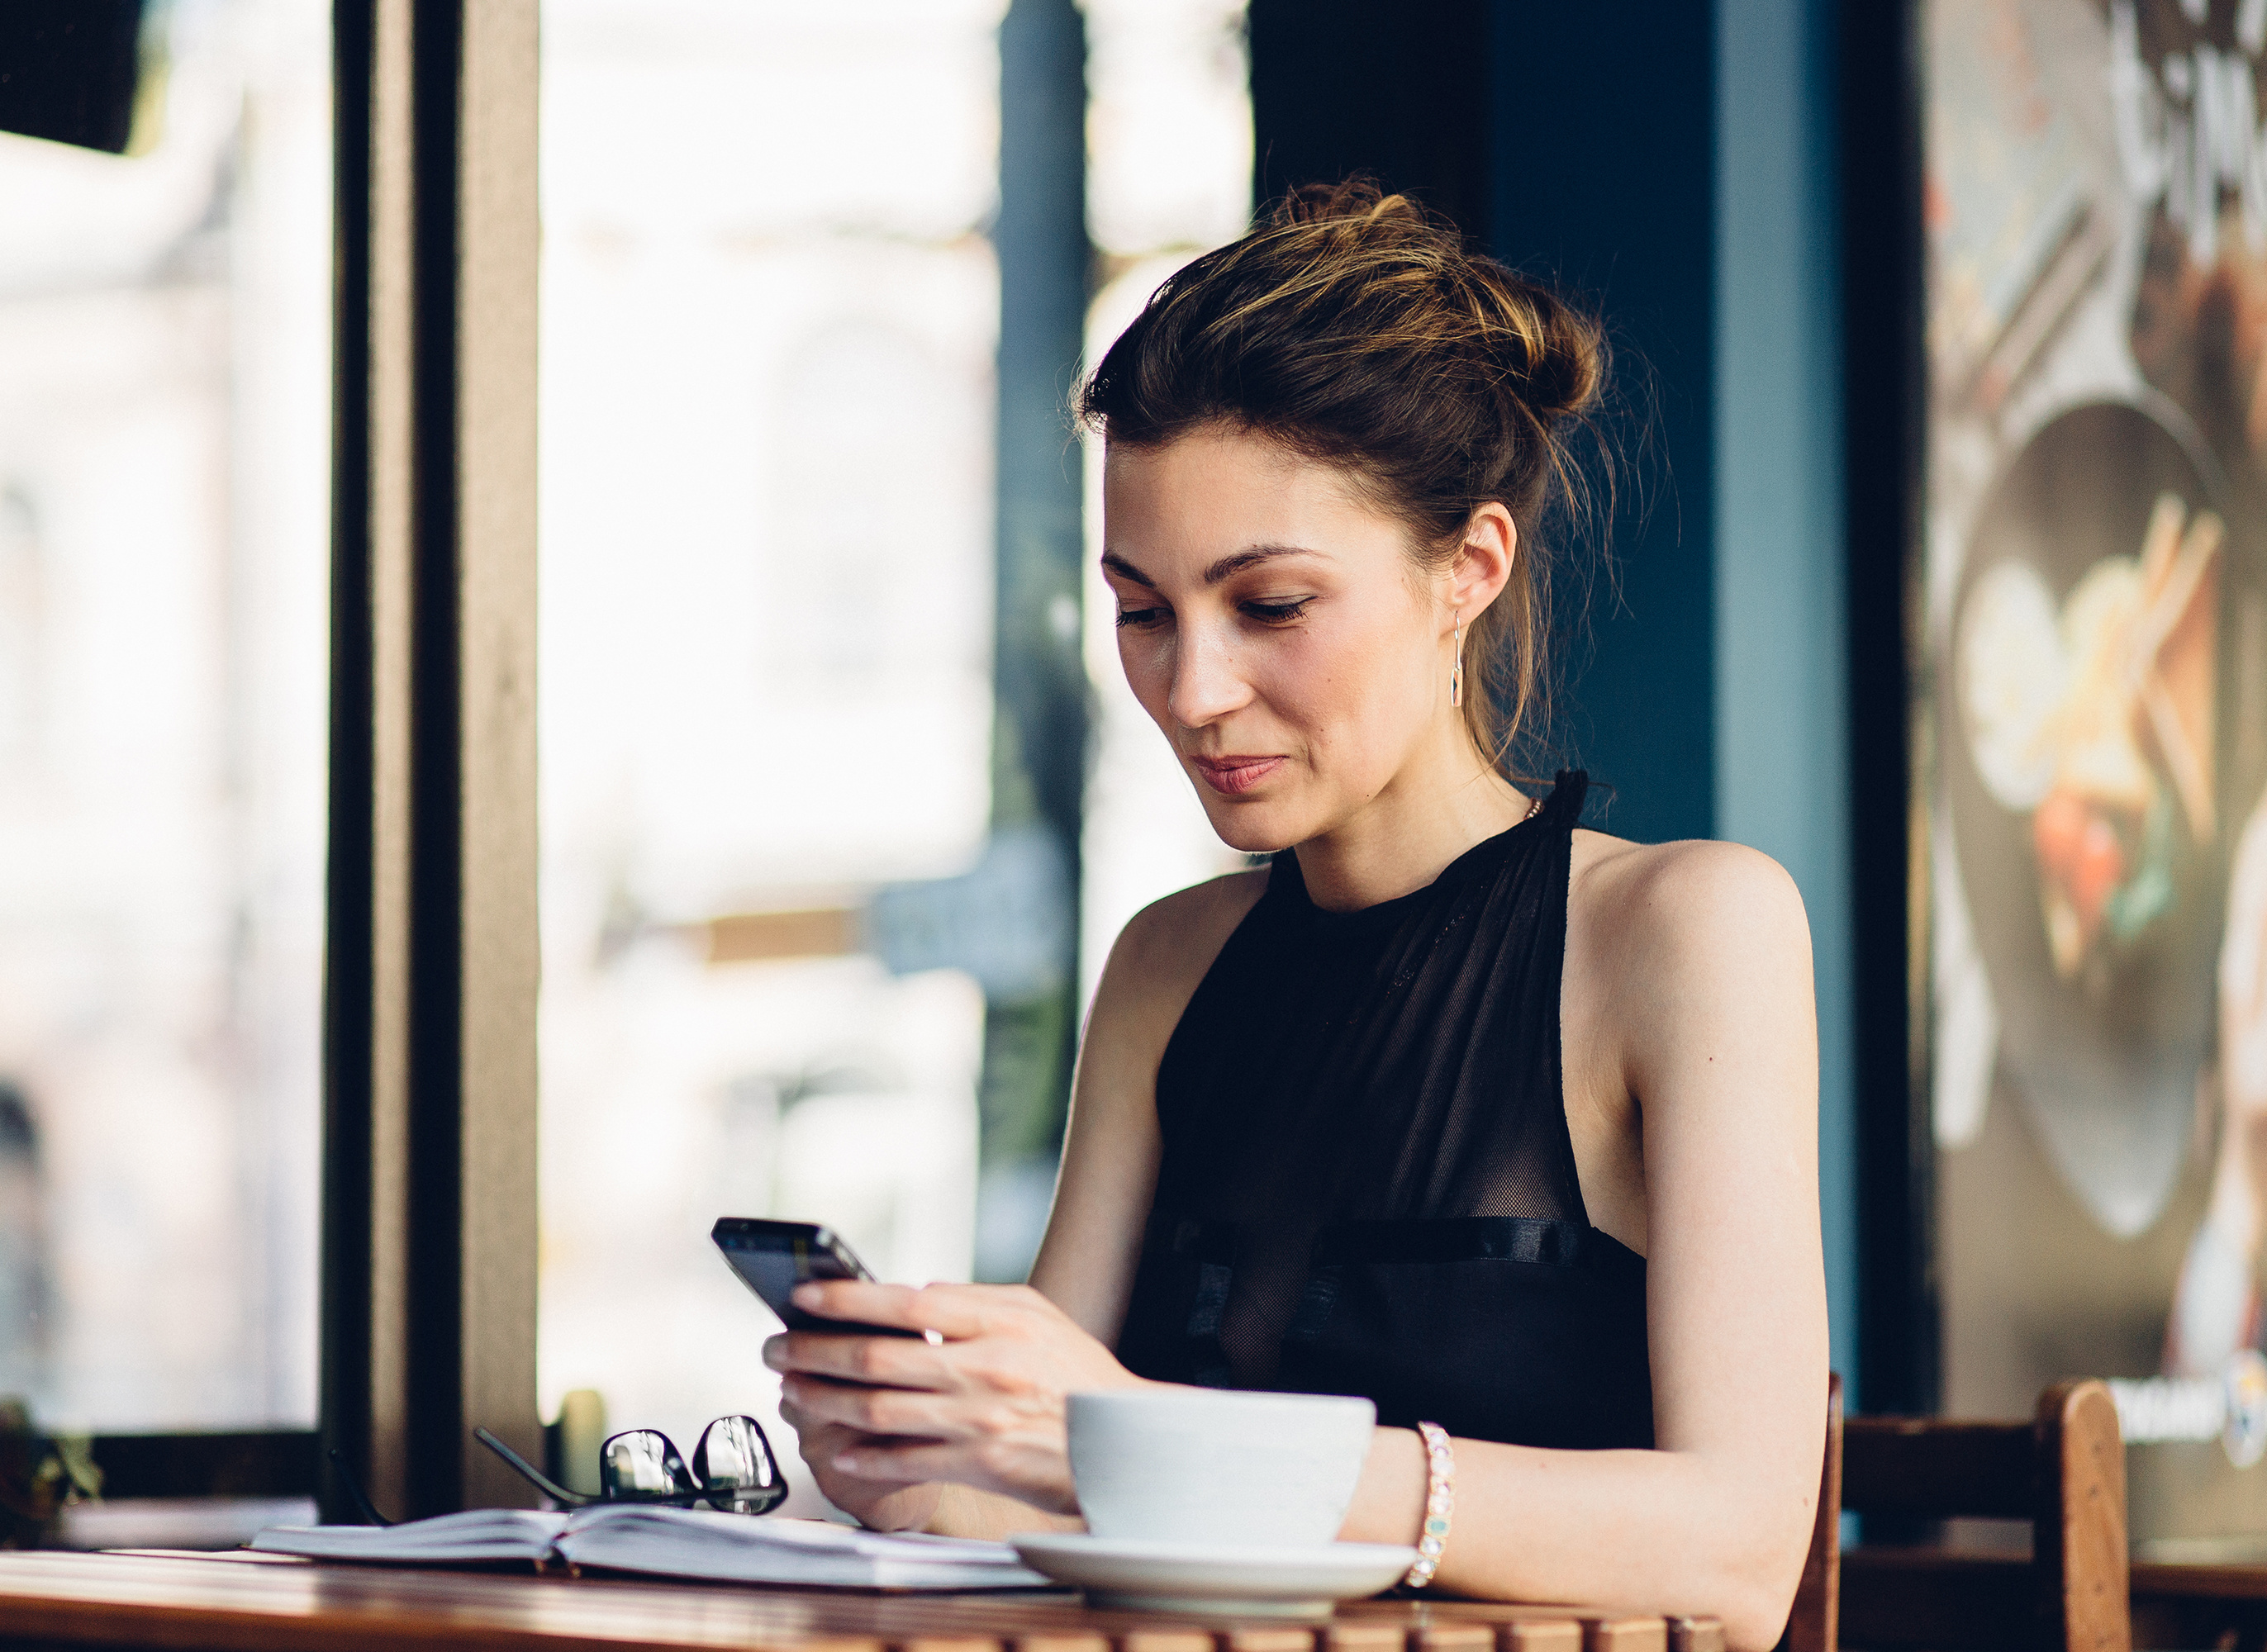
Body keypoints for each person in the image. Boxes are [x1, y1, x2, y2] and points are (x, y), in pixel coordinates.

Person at [766, 183, 1827, 1648]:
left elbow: (1737, 1553)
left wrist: (1135, 1439)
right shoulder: (1169, 962)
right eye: (1143, 612)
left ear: (1469, 569)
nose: (1191, 692)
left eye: (1268, 606)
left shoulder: (1685, 931)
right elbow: (1052, 1487)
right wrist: (921, 1450)